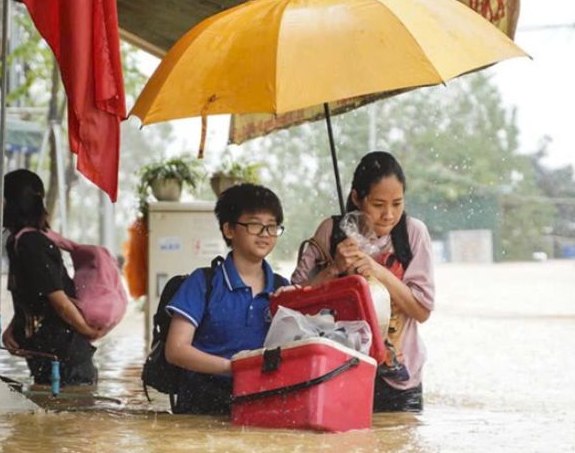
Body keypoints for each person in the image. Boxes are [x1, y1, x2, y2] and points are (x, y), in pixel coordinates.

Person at [292, 151, 434, 413]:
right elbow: (292, 307)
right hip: (338, 372)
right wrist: (334, 268)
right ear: (357, 198)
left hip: (400, 382)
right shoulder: (331, 232)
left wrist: (378, 272)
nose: (389, 215)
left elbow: (422, 310)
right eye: (378, 204)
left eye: (397, 204)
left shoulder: (413, 233)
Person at [165, 183, 290, 415]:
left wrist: (293, 311)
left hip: (260, 404)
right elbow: (176, 349)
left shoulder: (283, 289)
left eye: (272, 227)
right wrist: (232, 368)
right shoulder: (203, 282)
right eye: (254, 225)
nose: (265, 234)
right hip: (200, 406)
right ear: (229, 229)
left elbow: (295, 352)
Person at [0, 169, 104, 386]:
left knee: (68, 414)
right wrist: (14, 325)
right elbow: (34, 294)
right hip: (46, 352)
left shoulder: (32, 244)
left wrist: (87, 331)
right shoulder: (17, 242)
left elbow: (59, 301)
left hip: (65, 357)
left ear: (10, 202)